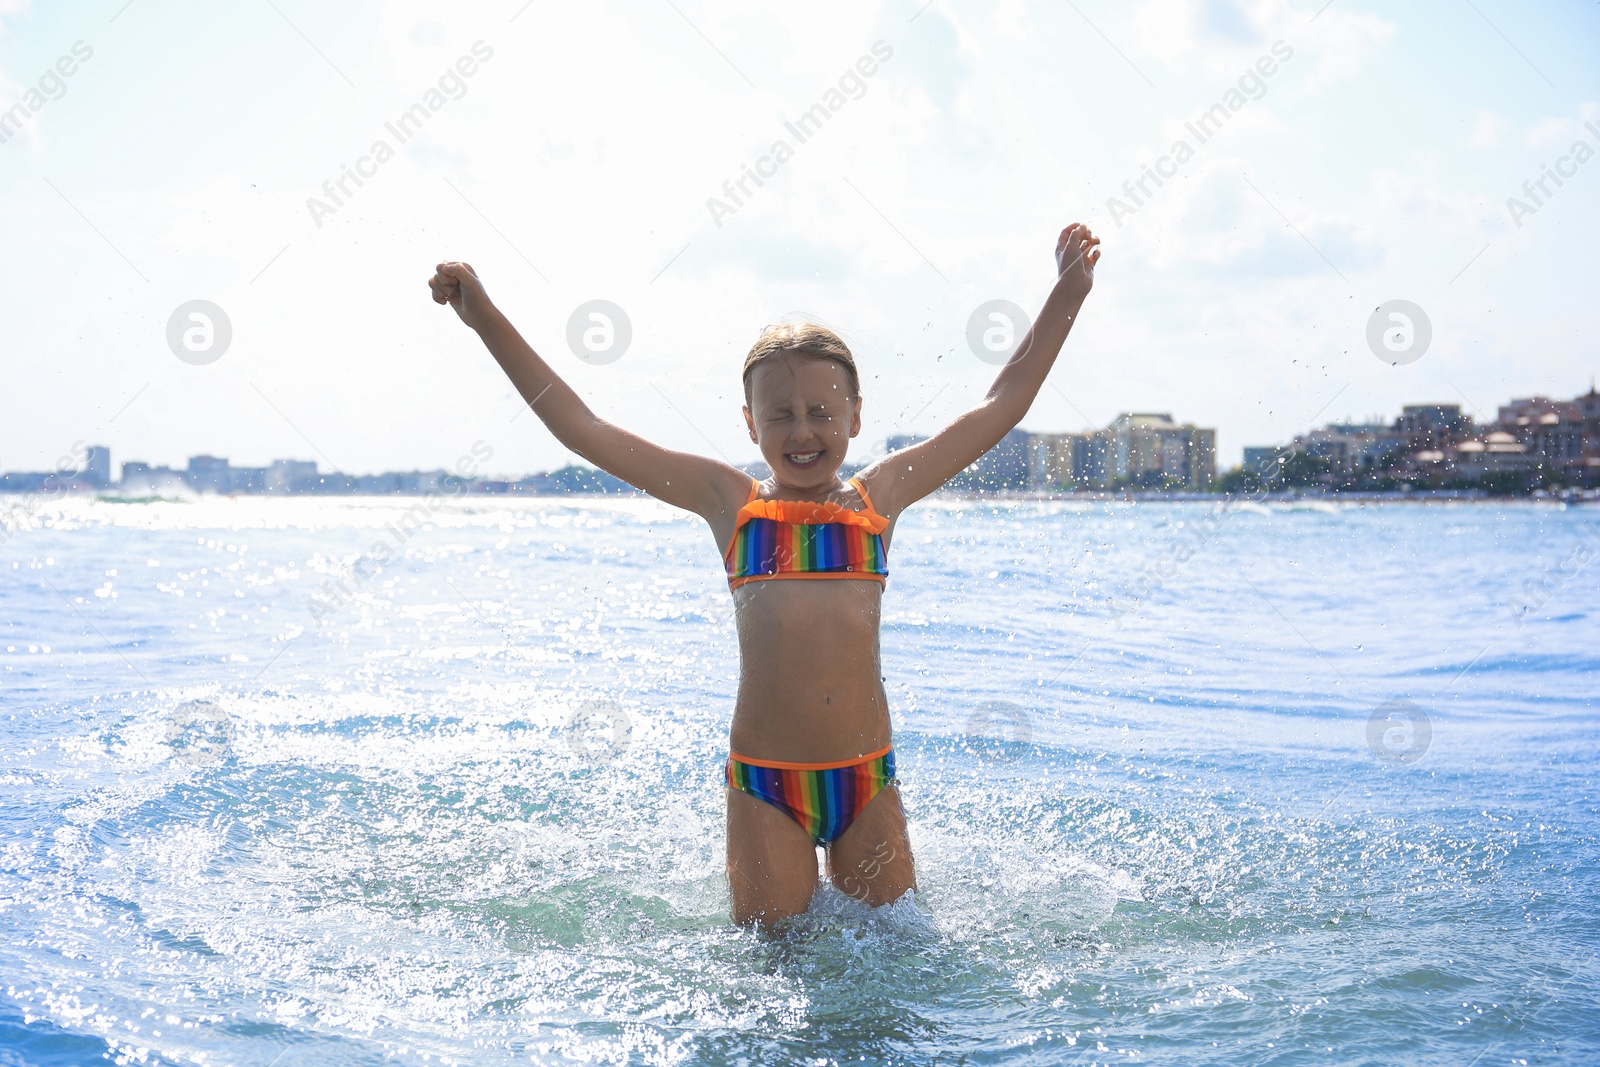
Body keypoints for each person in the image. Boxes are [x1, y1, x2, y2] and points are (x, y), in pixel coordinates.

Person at [428, 224, 1100, 925]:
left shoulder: (880, 500)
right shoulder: (733, 506)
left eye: (820, 412)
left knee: (900, 967)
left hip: (866, 780)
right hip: (765, 791)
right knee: (773, 972)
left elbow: (1002, 405)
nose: (801, 430)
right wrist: (484, 318)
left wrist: (1067, 290)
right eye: (779, 415)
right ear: (750, 424)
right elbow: (583, 428)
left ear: (855, 416)